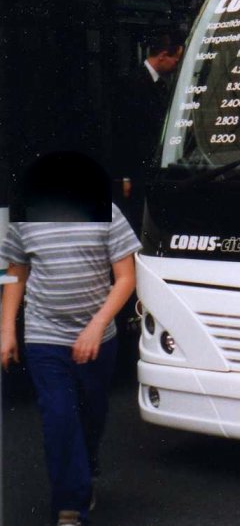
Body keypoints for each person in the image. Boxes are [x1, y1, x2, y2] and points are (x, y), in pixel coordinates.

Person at [0, 153, 141, 526]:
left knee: (92, 416)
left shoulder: (104, 211)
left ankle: (85, 468)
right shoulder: (26, 215)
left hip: (98, 337)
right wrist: (6, 330)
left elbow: (126, 277)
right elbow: (15, 274)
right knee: (60, 418)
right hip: (45, 334)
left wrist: (96, 325)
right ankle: (69, 508)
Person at [114, 30, 184, 230]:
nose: (176, 65)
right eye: (176, 59)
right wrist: (124, 175)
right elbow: (123, 133)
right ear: (163, 56)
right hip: (136, 169)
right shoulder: (131, 84)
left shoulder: (158, 85)